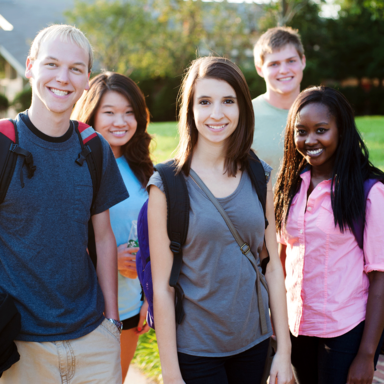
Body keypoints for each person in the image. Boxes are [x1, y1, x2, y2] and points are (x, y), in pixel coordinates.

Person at [147, 56, 293, 384]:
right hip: (196, 351)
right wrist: (171, 373)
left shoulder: (258, 173)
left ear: (242, 107)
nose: (217, 113)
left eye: (228, 101)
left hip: (254, 342)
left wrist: (283, 351)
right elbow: (162, 287)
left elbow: (271, 266)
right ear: (190, 110)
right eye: (205, 102)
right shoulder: (166, 184)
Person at [0, 25, 128, 383]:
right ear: (30, 67)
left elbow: (103, 238)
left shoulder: (94, 147)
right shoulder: (2, 143)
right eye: (52, 64)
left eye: (75, 68)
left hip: (93, 341)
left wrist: (113, 321)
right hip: (19, 347)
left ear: (87, 78)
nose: (62, 77)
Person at [274, 86, 384, 384]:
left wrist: (366, 353)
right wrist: (278, 326)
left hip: (345, 330)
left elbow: (380, 277)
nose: (310, 140)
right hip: (297, 327)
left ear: (341, 130)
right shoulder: (291, 186)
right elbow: (283, 257)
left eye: (321, 130)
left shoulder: (369, 191)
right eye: (301, 131)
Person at [72, 72, 153, 380]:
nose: (121, 121)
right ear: (91, 114)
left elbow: (156, 240)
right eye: (109, 112)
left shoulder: (145, 169)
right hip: (85, 309)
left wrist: (149, 295)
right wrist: (104, 258)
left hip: (130, 305)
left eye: (129, 112)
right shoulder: (76, 167)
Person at [252, 27, 306, 185]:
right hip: (263, 209)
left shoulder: (324, 112)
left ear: (303, 61)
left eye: (291, 61)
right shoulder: (244, 115)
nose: (284, 70)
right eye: (274, 64)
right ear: (260, 69)